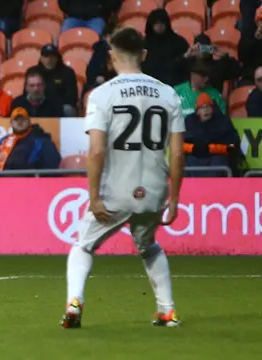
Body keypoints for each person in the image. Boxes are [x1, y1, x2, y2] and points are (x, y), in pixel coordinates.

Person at [61, 27, 185, 329]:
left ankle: (75, 301)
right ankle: (167, 311)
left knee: (83, 246)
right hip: (154, 190)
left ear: (111, 56)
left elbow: (97, 150)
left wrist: (93, 196)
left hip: (117, 190)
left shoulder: (102, 94)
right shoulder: (168, 93)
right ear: (143, 55)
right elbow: (178, 154)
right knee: (149, 245)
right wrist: (175, 198)